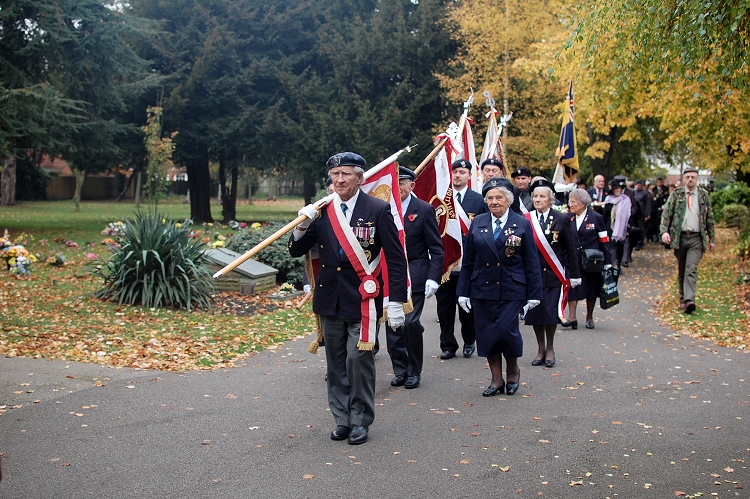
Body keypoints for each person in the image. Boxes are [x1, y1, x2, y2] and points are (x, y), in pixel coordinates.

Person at [289, 152, 408, 445]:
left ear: (360, 178)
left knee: (359, 360)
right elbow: (297, 249)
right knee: (336, 364)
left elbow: (395, 258)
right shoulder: (323, 210)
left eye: (346, 174)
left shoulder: (378, 210)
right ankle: (341, 419)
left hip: (363, 301)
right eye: (335, 174)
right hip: (330, 300)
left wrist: (395, 301)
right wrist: (302, 224)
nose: (339, 179)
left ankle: (360, 420)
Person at [456, 179, 542, 396]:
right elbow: (469, 260)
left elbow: (532, 261)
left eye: (499, 198)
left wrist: (534, 294)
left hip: (512, 288)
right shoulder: (479, 222)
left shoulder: (521, 223)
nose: (494, 202)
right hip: (482, 288)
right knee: (487, 334)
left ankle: (512, 370)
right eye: (490, 198)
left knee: (506, 332)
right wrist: (463, 291)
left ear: (508, 200)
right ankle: (496, 379)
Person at [385, 167, 443, 389]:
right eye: (394, 182)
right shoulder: (383, 209)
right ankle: (400, 369)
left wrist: (433, 277)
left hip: (416, 273)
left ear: (412, 186)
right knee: (393, 325)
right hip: (391, 275)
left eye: (403, 182)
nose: (398, 187)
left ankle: (414, 370)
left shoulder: (424, 209)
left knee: (409, 323)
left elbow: (436, 249)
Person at [524, 178, 581, 368]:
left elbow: (571, 248)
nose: (538, 199)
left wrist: (574, 274)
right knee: (535, 314)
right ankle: (540, 348)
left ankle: (550, 348)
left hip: (553, 274)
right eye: (535, 196)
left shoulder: (562, 219)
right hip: (532, 275)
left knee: (549, 313)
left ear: (551, 200)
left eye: (542, 196)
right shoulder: (526, 219)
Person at [436, 159, 484, 359]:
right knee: (444, 308)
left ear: (469, 175)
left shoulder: (478, 200)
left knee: (466, 307)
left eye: (462, 172)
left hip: (468, 263)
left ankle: (469, 340)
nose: (457, 175)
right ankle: (448, 345)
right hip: (445, 263)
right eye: (454, 171)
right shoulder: (440, 198)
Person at [659, 167, 716, 314]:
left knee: (691, 268)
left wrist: (712, 239)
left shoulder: (703, 195)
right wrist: (664, 232)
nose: (690, 180)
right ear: (684, 179)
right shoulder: (677, 195)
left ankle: (690, 300)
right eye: (688, 177)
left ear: (697, 179)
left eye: (693, 177)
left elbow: (709, 218)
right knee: (682, 268)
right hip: (680, 237)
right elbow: (666, 214)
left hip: (697, 237)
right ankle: (683, 299)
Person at [566, 189, 612, 329]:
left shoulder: (596, 217)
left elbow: (604, 239)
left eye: (573, 202)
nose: (570, 204)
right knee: (572, 288)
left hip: (592, 261)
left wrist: (608, 263)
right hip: (573, 259)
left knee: (591, 289)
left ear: (583, 203)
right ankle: (572, 317)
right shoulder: (568, 218)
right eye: (570, 201)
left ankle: (589, 316)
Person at [603, 178, 631, 269]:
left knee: (620, 246)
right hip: (610, 226)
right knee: (612, 246)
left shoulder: (626, 200)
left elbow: (629, 214)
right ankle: (612, 265)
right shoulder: (608, 200)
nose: (618, 190)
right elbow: (605, 215)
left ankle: (618, 264)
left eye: (619, 188)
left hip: (622, 228)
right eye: (616, 189)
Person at [633, 180, 652, 251]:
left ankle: (640, 243)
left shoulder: (645, 193)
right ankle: (636, 242)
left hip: (642, 213)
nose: (637, 186)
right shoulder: (633, 192)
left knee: (641, 229)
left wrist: (648, 214)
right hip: (635, 214)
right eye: (636, 185)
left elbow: (648, 204)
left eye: (639, 185)